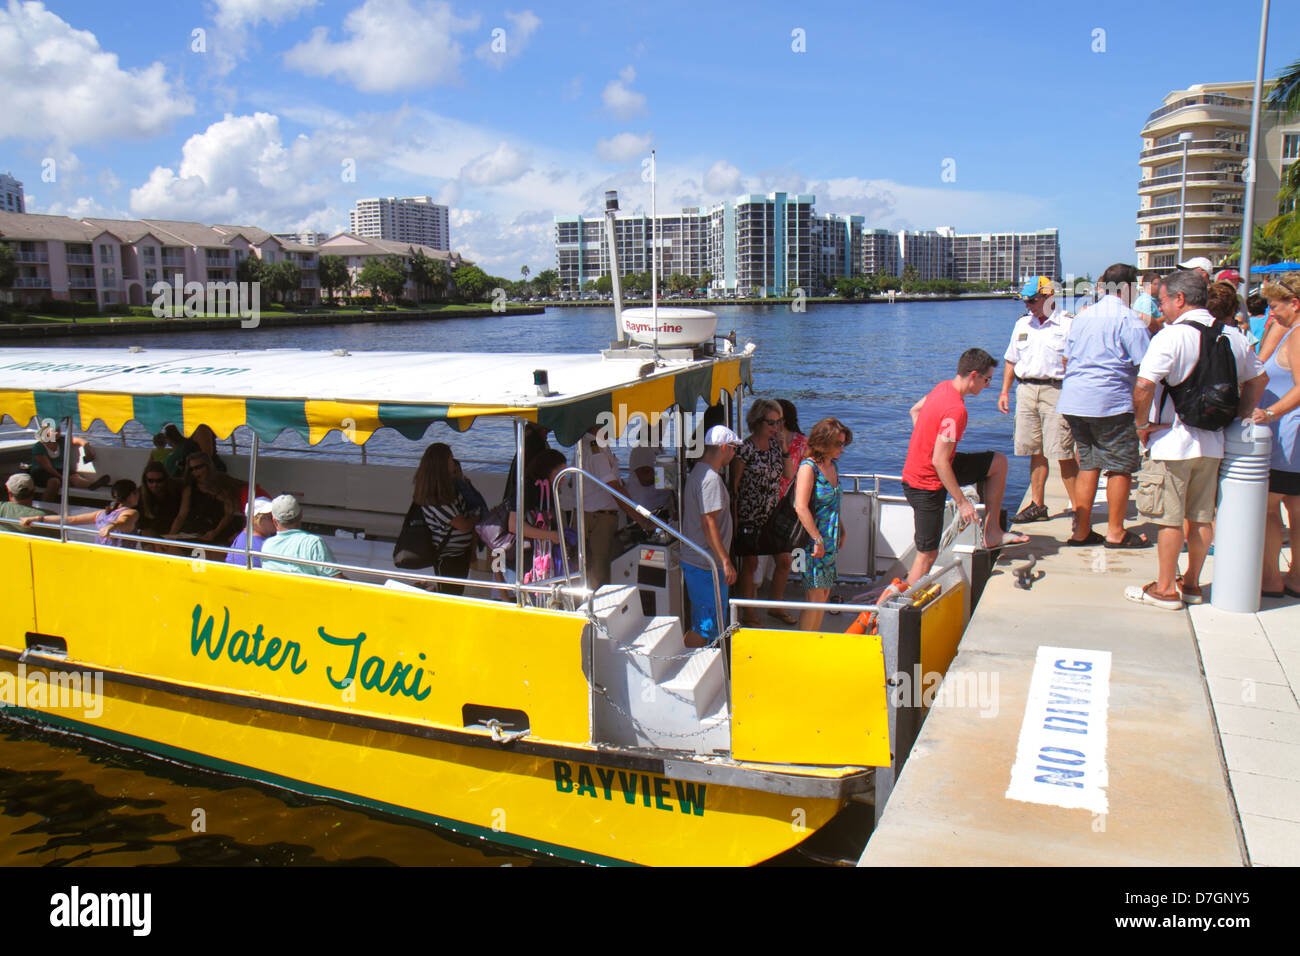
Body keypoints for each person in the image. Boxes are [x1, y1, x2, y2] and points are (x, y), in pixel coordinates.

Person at [1126, 269, 1268, 609]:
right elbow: (1258, 380)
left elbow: (1144, 386)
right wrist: (1239, 415)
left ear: (1179, 299)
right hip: (1214, 442)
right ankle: (1191, 585)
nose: (1161, 309)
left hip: (1172, 440)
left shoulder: (1171, 336)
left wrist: (1140, 424)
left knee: (1170, 518)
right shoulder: (1233, 336)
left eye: (1163, 302)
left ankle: (1164, 589)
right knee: (1202, 516)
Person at [903, 348, 1026, 586]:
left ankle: (992, 532)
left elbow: (915, 410)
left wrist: (926, 439)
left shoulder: (943, 387)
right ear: (974, 376)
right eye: (987, 379)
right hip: (925, 484)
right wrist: (962, 502)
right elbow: (939, 461)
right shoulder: (956, 411)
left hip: (934, 466)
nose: (988, 385)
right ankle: (897, 608)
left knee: (998, 463)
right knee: (927, 555)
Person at [1057, 263, 1152, 548]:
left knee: (1088, 464)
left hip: (1074, 400)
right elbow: (1147, 365)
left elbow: (1067, 356)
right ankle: (1115, 532)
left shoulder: (1083, 316)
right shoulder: (1129, 318)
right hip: (1110, 401)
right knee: (1120, 467)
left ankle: (1081, 531)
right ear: (1128, 288)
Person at [998, 275, 1079, 524]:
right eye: (1025, 301)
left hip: (1056, 391)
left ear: (1049, 297)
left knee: (1063, 451)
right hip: (1026, 391)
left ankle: (1079, 509)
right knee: (1034, 450)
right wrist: (1004, 391)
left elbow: (1079, 362)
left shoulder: (1068, 325)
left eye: (1032, 300)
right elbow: (1011, 360)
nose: (1028, 306)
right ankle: (1037, 504)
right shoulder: (1022, 325)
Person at [1249, 273, 1300, 598]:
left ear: (1294, 304)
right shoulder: (1289, 331)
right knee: (1295, 509)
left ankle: (1270, 578)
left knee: (1269, 508)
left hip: (1288, 436)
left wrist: (1270, 412)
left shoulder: (1297, 337)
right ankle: (1295, 576)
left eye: (1275, 306)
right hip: (1291, 437)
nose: (1271, 313)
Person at [732, 398, 798, 625]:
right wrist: (735, 519)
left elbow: (789, 474)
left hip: (771, 514)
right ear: (757, 422)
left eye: (779, 423)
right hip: (749, 515)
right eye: (771, 423)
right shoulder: (745, 449)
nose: (776, 428)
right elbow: (735, 486)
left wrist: (784, 448)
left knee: (784, 561)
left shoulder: (775, 448)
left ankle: (775, 606)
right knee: (750, 565)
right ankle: (748, 613)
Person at [681, 426, 740, 647]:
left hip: (700, 562)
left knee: (709, 623)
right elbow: (709, 523)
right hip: (706, 565)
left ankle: (702, 661)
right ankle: (684, 659)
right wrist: (725, 561)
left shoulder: (697, 473)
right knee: (706, 626)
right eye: (734, 448)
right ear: (724, 447)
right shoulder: (711, 479)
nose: (734, 454)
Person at [574, 425, 651, 590]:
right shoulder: (595, 448)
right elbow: (613, 487)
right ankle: (596, 613)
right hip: (598, 520)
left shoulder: (598, 445)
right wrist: (641, 520)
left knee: (604, 570)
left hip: (601, 517)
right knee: (599, 575)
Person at [793, 418, 850, 632]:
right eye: (838, 444)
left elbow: (832, 504)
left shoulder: (832, 465)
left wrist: (841, 529)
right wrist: (817, 539)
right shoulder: (809, 468)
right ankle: (804, 646)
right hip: (811, 543)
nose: (842, 449)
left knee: (824, 594)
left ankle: (813, 639)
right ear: (823, 442)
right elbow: (800, 507)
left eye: (844, 443)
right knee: (814, 596)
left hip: (829, 541)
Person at [413, 442, 480, 595]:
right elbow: (463, 525)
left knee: (456, 592)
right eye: (451, 459)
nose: (453, 462)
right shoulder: (434, 497)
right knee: (450, 594)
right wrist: (476, 519)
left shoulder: (450, 488)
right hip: (448, 556)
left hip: (460, 553)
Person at [21, 478, 139, 546]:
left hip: (101, 553)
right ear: (131, 495)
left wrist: (37, 518)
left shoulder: (101, 514)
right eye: (136, 492)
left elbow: (70, 520)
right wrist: (112, 526)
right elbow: (125, 521)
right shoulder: (131, 513)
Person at [260, 494, 341, 577]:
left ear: (274, 521)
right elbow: (337, 579)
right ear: (301, 515)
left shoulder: (266, 545)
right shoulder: (313, 543)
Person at [27, 424, 110, 501]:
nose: (58, 433)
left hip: (60, 469)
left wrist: (86, 448)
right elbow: (48, 467)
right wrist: (62, 477)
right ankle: (45, 504)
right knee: (54, 481)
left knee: (75, 478)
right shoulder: (38, 447)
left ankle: (93, 485)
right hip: (41, 472)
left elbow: (79, 440)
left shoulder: (61, 441)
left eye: (58, 431)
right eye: (55, 431)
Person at [136, 461, 184, 543]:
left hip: (176, 533)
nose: (155, 485)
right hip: (152, 534)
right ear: (145, 481)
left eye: (159, 481)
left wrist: (170, 537)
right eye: (150, 481)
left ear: (166, 480)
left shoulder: (176, 490)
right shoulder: (139, 494)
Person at [225, 497, 276, 568]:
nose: (276, 520)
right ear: (255, 520)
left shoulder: (244, 536)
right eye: (271, 517)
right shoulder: (263, 545)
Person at [626, 444, 672, 515]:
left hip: (660, 508)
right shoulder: (641, 448)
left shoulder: (658, 447)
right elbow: (645, 479)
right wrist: (668, 474)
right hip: (645, 511)